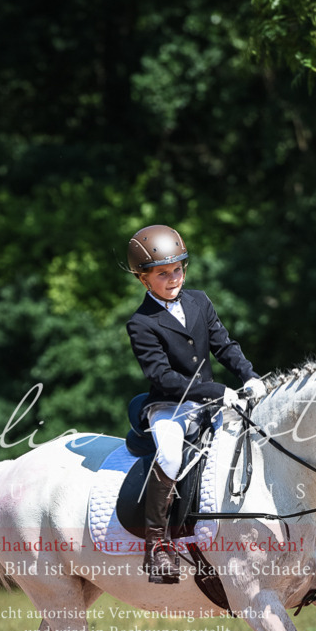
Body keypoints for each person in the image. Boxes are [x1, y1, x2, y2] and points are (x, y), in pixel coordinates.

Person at [126, 223, 266, 584]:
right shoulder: (141, 322)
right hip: (169, 406)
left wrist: (250, 376)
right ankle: (157, 545)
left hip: (213, 401)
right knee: (171, 455)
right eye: (162, 274)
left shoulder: (199, 300)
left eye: (177, 270)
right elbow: (162, 377)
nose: (173, 278)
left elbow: (224, 346)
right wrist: (217, 392)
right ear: (144, 279)